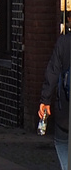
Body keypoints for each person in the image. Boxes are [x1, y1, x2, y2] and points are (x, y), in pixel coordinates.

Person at [40, 30, 71, 167]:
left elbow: (52, 72)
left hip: (64, 112)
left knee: (62, 143)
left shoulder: (63, 42)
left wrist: (45, 100)